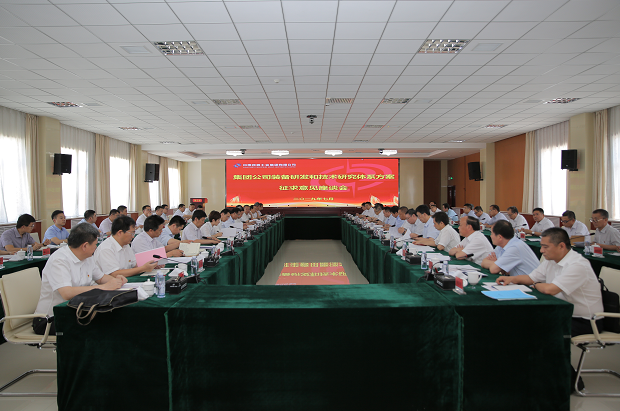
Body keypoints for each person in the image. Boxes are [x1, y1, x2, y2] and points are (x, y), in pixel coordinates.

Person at [32, 223, 126, 335]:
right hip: (50, 319)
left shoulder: (87, 257)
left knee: (112, 318)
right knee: (99, 327)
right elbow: (66, 293)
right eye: (95, 244)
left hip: (77, 311)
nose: (96, 247)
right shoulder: (60, 260)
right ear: (85, 246)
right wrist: (104, 287)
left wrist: (115, 280)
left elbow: (101, 278)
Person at [94, 216, 158, 278]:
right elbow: (114, 274)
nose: (133, 236)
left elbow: (134, 264)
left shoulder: (125, 245)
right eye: (131, 233)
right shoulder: (106, 248)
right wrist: (143, 268)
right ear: (120, 232)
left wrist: (150, 265)